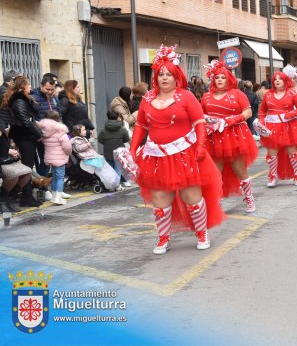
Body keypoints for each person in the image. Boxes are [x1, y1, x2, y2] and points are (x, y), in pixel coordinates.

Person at [129, 45, 225, 254]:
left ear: (176, 77)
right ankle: (163, 238)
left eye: (168, 74)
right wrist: (133, 149)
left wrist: (200, 146)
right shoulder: (147, 99)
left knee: (192, 198)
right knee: (160, 201)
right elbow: (141, 126)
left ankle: (202, 232)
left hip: (185, 155)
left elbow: (199, 122)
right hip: (155, 157)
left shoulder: (187, 97)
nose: (164, 78)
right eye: (160, 74)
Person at [200, 60, 259, 212]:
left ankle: (250, 199)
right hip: (213, 138)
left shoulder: (237, 94)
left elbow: (248, 112)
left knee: (240, 170)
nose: (219, 80)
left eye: (223, 77)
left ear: (229, 79)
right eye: (217, 77)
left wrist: (231, 120)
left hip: (234, 137)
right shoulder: (206, 96)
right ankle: (216, 202)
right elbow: (200, 114)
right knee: (214, 173)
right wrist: (207, 120)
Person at [258, 71, 297, 187]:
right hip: (272, 126)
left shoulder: (292, 93)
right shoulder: (268, 94)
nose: (277, 81)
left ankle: (296, 175)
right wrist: (261, 122)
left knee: (292, 151)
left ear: (285, 81)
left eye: (280, 79)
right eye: (275, 79)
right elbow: (262, 110)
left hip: (289, 126)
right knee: (272, 152)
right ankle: (273, 176)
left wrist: (290, 114)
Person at [1, 76, 43, 207]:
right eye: (28, 84)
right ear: (22, 86)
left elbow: (30, 117)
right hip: (24, 136)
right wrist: (38, 134)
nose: (30, 87)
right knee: (27, 166)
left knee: (28, 167)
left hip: (25, 135)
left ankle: (24, 195)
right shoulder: (19, 100)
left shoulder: (23, 99)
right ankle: (25, 196)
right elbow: (25, 121)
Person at [38, 110, 71, 205]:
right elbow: (67, 147)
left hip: (49, 157)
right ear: (57, 119)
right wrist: (68, 154)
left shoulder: (44, 132)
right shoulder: (61, 132)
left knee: (54, 177)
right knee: (60, 178)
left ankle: (53, 196)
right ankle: (58, 198)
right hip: (59, 159)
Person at [31, 73, 60, 179]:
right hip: (40, 136)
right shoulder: (34, 98)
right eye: (47, 89)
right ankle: (42, 187)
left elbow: (59, 113)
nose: (50, 92)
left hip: (54, 136)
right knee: (43, 160)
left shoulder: (54, 98)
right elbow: (31, 118)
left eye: (52, 89)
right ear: (41, 86)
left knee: (54, 160)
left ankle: (54, 186)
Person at [98, 110, 131, 189]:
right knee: (118, 168)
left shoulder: (103, 130)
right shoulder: (122, 129)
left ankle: (111, 185)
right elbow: (126, 139)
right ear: (117, 117)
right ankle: (117, 185)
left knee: (110, 169)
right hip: (119, 152)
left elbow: (100, 140)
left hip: (108, 152)